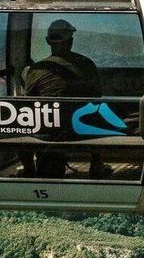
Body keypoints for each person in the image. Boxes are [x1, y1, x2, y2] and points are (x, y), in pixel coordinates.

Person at [21, 19, 110, 178]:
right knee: (97, 113)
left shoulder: (37, 69)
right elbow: (97, 94)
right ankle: (97, 163)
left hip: (48, 130)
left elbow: (28, 100)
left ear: (48, 41)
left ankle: (29, 170)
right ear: (71, 41)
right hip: (82, 129)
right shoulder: (87, 64)